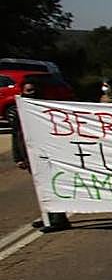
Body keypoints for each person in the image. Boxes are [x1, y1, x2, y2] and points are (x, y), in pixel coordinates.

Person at [13, 78, 72, 233]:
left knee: (50, 185)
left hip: (46, 155)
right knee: (41, 187)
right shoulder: (20, 110)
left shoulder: (45, 110)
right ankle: (48, 215)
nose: (30, 94)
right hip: (30, 155)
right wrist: (18, 157)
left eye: (32, 90)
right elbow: (16, 135)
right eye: (27, 91)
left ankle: (58, 219)